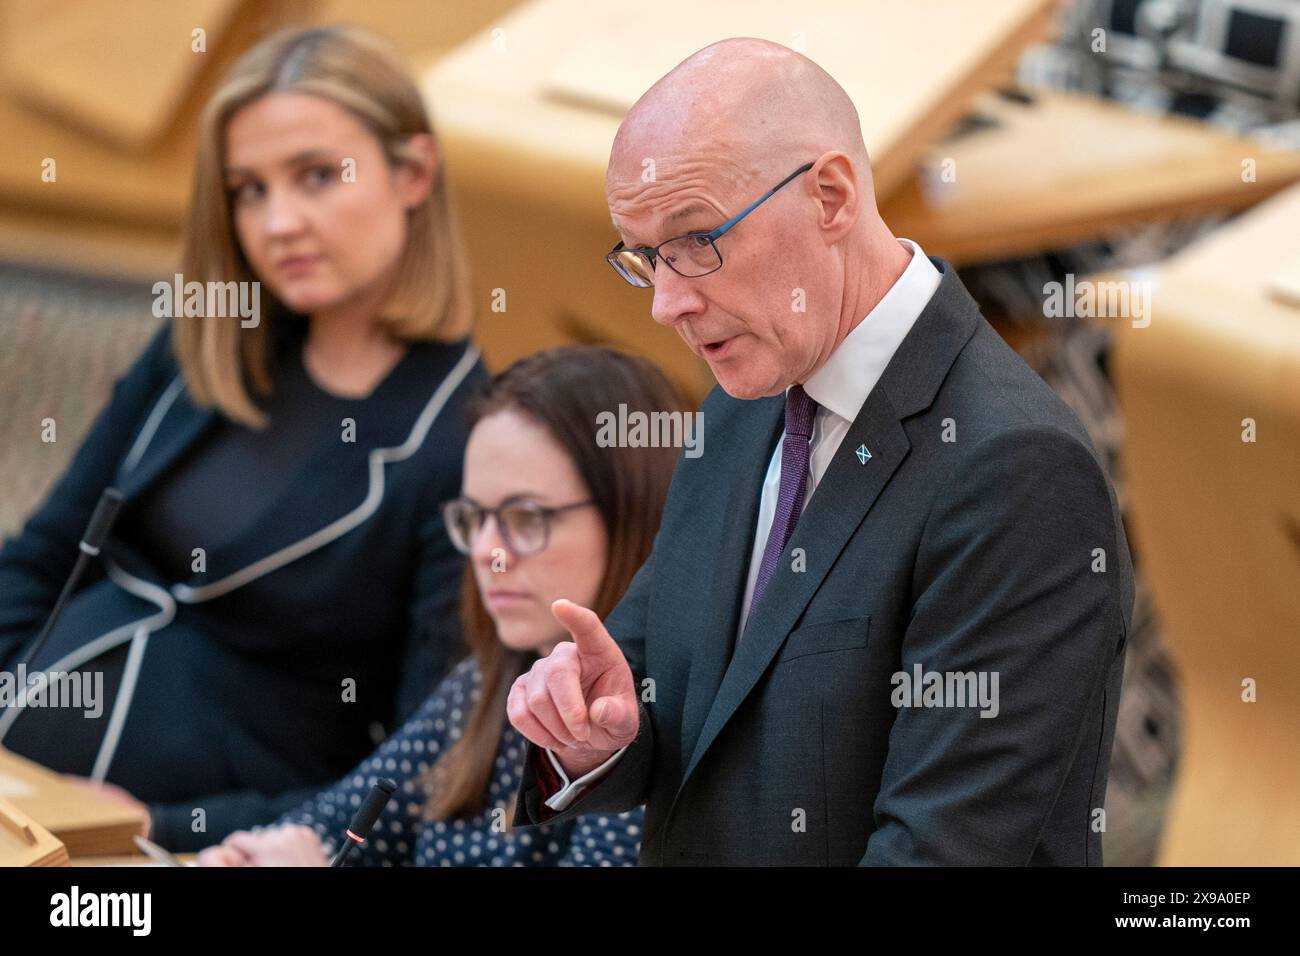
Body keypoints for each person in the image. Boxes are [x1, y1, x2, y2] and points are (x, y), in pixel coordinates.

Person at [507, 38, 1136, 865]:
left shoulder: (1017, 472)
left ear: (831, 196)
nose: (667, 303)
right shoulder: (748, 394)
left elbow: (943, 849)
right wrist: (592, 736)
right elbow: (666, 691)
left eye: (698, 240)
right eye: (645, 258)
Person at [0, 25, 486, 850]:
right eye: (248, 190)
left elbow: (426, 764)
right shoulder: (204, 342)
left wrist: (166, 825)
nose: (279, 221)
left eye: (315, 176)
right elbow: (47, 550)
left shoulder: (466, 439)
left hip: (187, 847)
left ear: (413, 172)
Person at [195, 346, 686, 865]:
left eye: (525, 517)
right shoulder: (485, 683)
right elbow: (340, 824)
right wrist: (268, 853)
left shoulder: (653, 714)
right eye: (474, 518)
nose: (484, 552)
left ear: (636, 516)